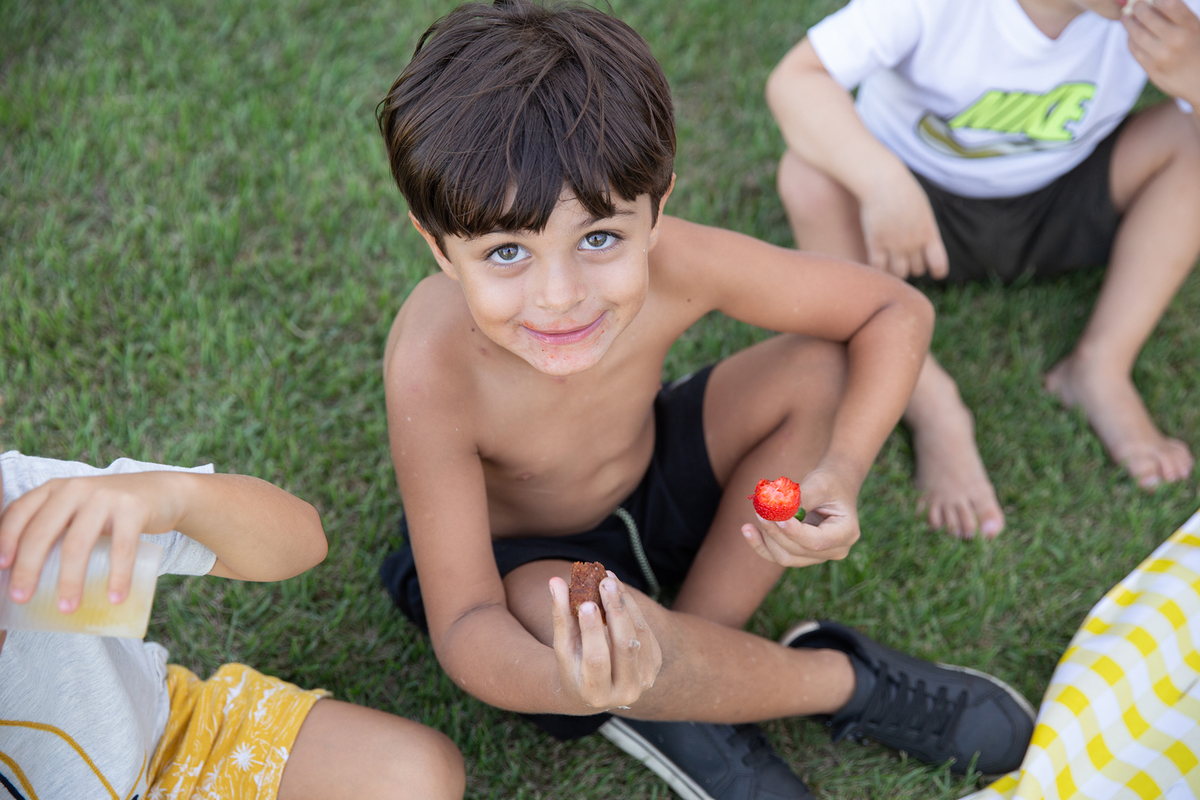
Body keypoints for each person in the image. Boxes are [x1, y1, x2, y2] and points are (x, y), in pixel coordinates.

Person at [375, 2, 1035, 798]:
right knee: (584, 622)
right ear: (438, 247)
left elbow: (896, 311)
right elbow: (467, 622)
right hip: (529, 571)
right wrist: (575, 684)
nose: (560, 297)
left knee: (818, 369)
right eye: (507, 252)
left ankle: (692, 685)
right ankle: (839, 680)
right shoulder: (431, 364)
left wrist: (842, 469)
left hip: (658, 479)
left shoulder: (681, 263)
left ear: (657, 210)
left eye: (599, 239)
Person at [767, 0, 1200, 539]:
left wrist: (1195, 74)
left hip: (1068, 190)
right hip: (911, 213)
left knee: (1191, 139)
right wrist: (882, 182)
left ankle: (1102, 364)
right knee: (809, 175)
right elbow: (795, 80)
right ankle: (930, 400)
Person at [0, 450, 465, 800]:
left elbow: (302, 543)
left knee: (418, 774)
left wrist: (177, 497)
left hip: (170, 743)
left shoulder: (26, 510)